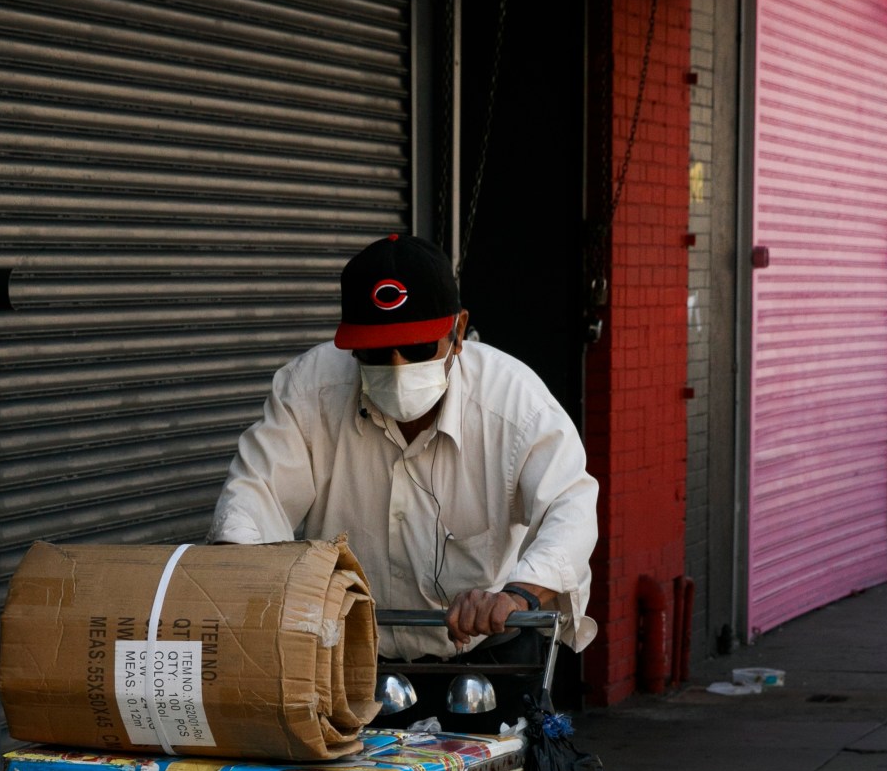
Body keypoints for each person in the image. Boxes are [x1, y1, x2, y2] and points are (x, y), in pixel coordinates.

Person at [208, 233, 598, 727]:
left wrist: (516, 595)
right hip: (350, 665)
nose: (397, 369)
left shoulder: (513, 402)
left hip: (487, 666)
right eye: (374, 353)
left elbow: (570, 506)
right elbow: (254, 498)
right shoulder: (309, 389)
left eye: (416, 348)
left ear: (458, 332)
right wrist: (244, 578)